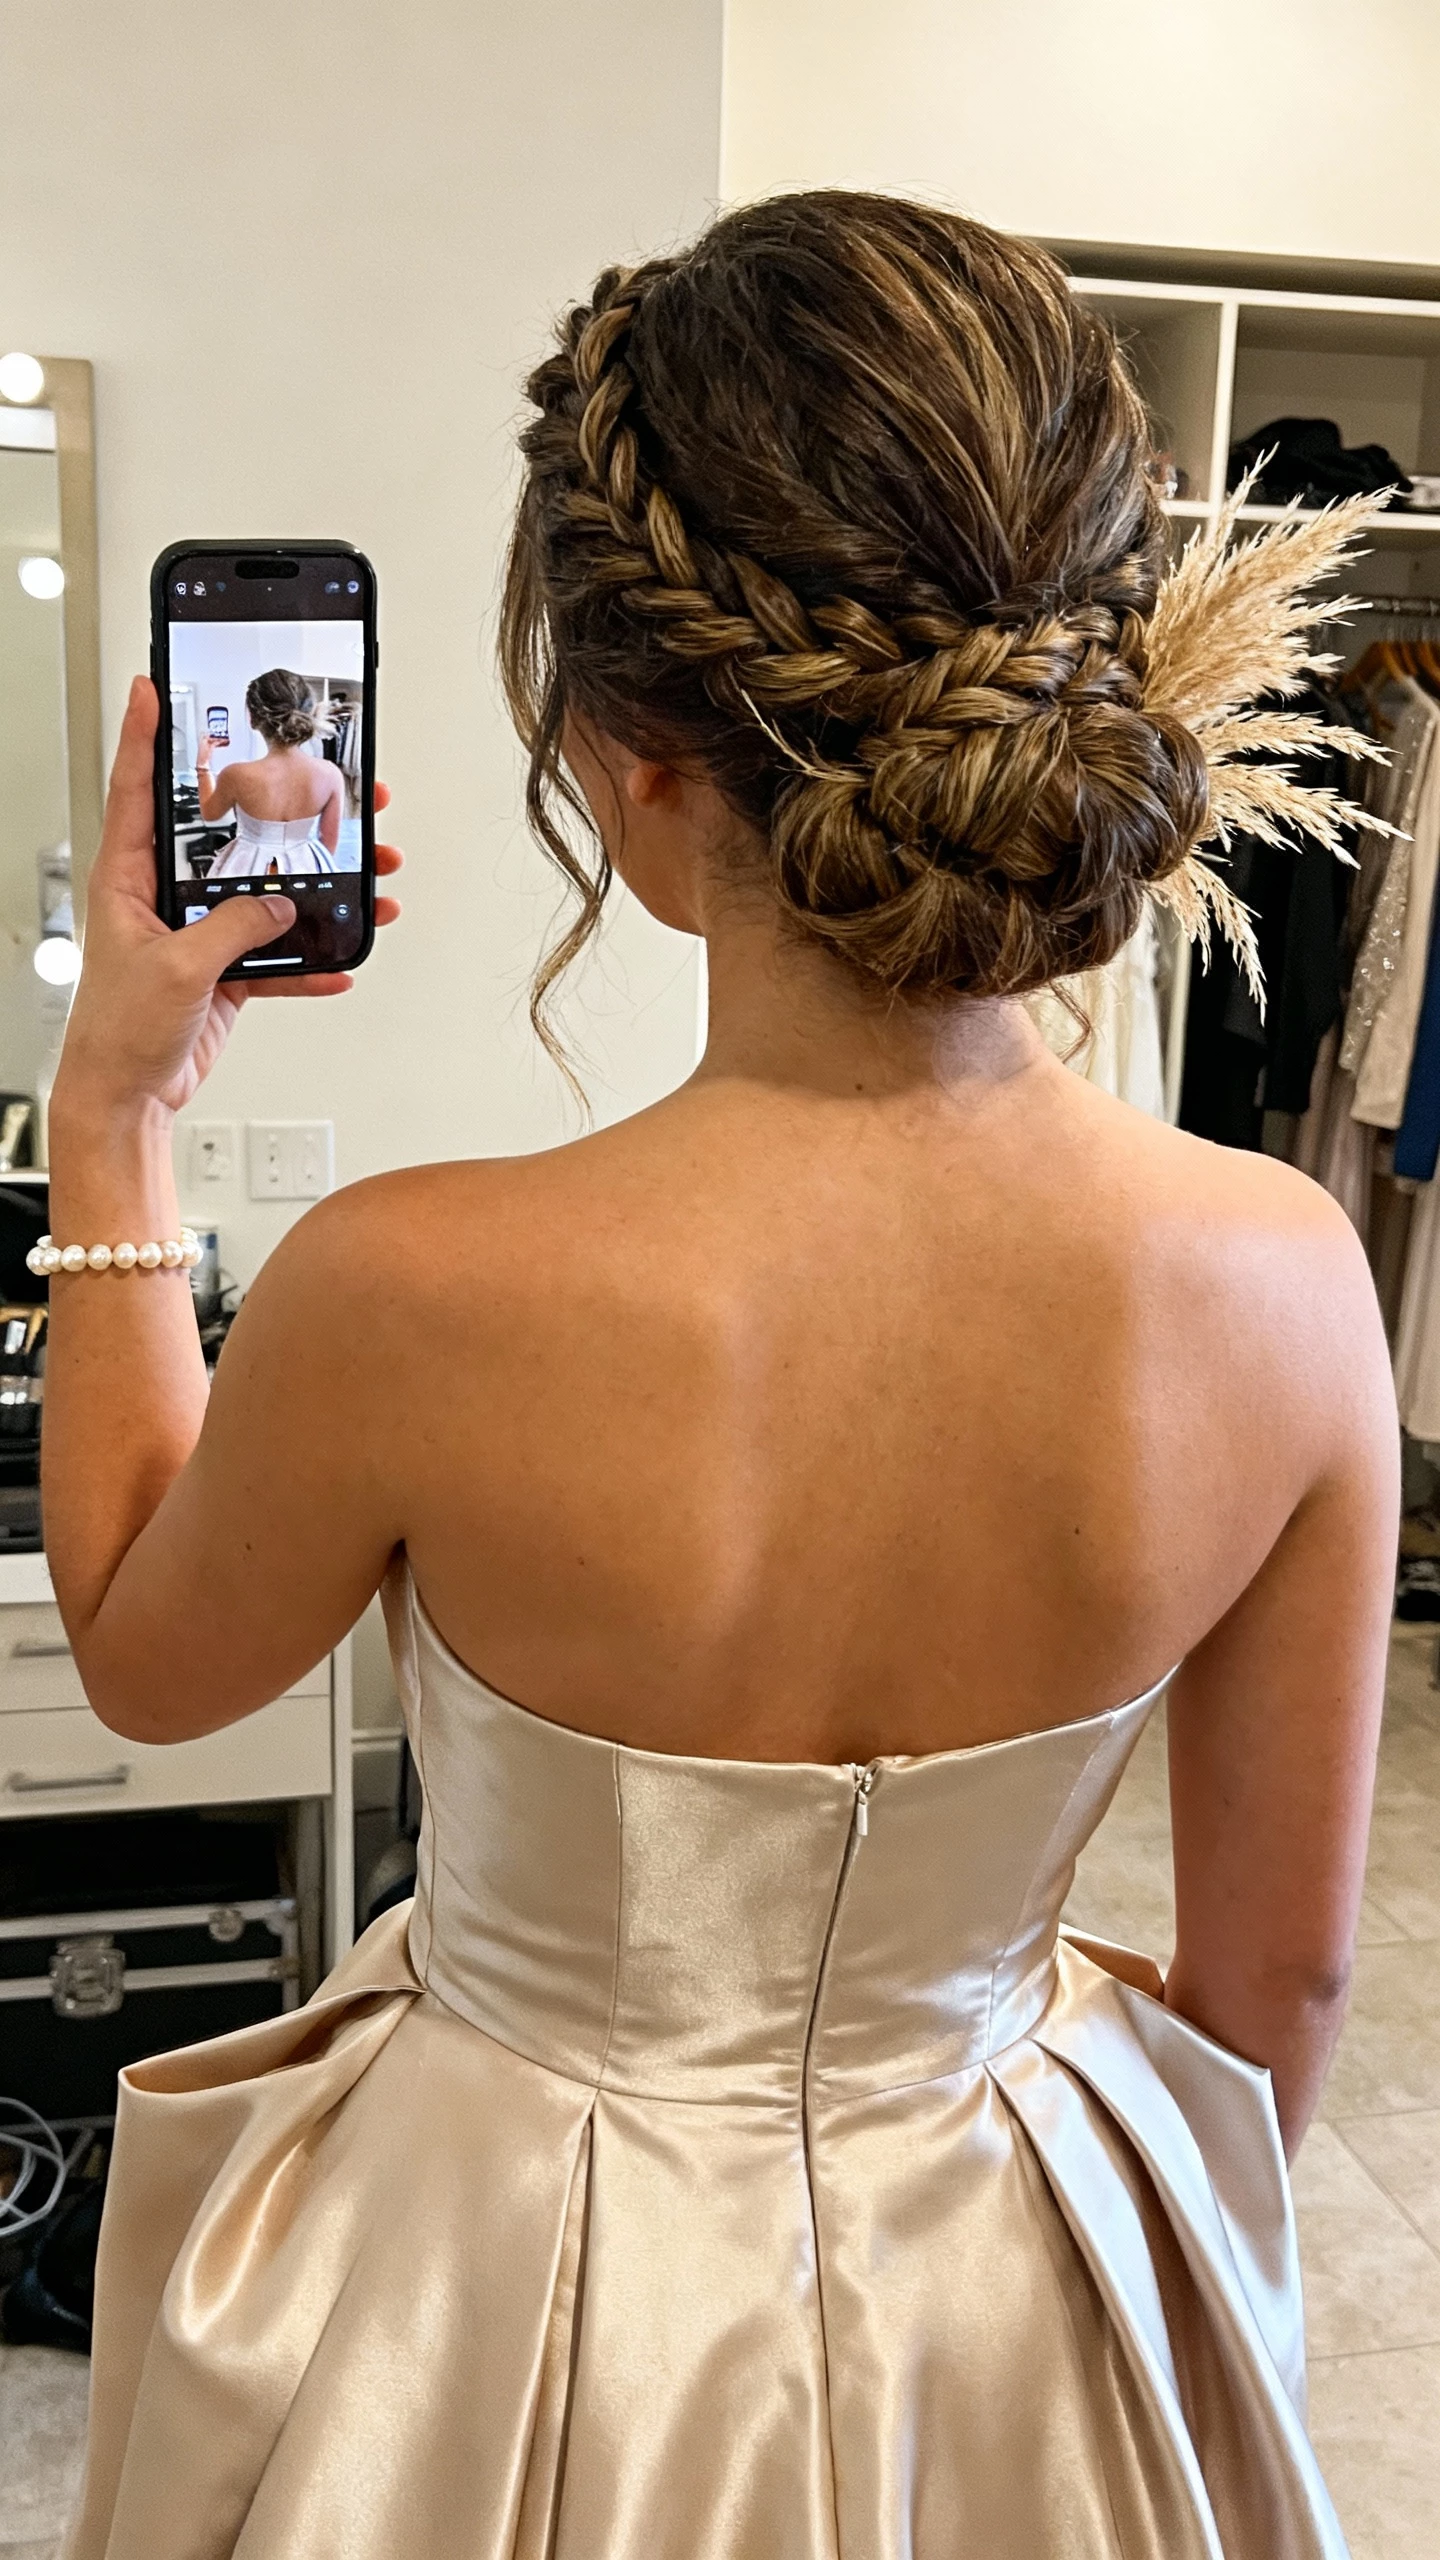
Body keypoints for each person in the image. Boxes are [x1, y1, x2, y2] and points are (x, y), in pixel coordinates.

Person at [45, 196, 1393, 2558]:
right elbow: (1278, 1979)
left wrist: (113, 1108)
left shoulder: (412, 1286)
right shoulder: (1285, 1284)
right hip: (1009, 2274)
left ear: (623, 742)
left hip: (502, 2289)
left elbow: (150, 1658)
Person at [194, 666, 344, 878]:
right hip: (307, 867)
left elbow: (210, 814)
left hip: (246, 868)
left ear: (253, 718)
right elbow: (329, 843)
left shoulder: (236, 774)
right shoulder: (331, 774)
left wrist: (202, 766)